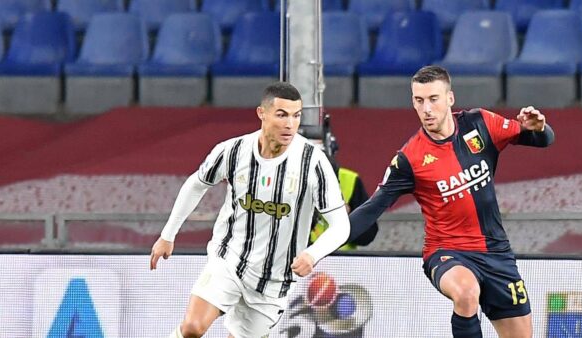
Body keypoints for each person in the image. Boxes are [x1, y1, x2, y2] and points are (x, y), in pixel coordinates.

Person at [347, 65, 554, 338]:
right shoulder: (410, 158)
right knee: (466, 292)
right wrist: (321, 245)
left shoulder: (481, 124)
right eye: (419, 101)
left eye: (433, 99)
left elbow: (543, 140)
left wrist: (540, 128)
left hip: (497, 254)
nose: (426, 109)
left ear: (450, 98)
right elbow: (373, 206)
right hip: (446, 252)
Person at [150, 82, 351, 338]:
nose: (290, 124)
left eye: (296, 115)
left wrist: (313, 254)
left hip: (273, 280)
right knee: (192, 328)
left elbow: (341, 225)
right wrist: (168, 234)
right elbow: (196, 184)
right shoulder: (233, 151)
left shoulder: (313, 162)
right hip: (229, 259)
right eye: (282, 114)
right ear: (262, 113)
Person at [310, 157, 378, 250]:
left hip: (342, 260)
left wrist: (348, 217)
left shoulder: (350, 180)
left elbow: (367, 237)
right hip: (302, 260)